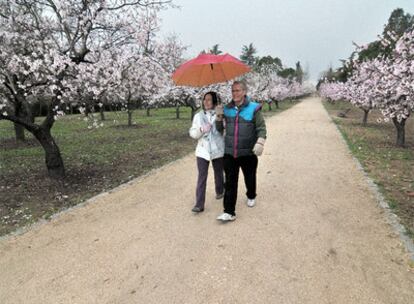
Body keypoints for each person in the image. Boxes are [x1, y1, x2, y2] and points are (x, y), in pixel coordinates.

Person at [215, 81, 267, 222]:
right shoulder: (226, 109)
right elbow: (219, 130)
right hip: (230, 153)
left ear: (244, 91)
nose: (235, 93)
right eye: (233, 91)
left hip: (248, 153)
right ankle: (229, 212)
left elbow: (261, 128)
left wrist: (260, 142)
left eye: (238, 90)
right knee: (230, 182)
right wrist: (219, 117)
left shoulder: (254, 108)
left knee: (249, 177)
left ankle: (251, 195)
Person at [189, 92, 225, 213]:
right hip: (202, 150)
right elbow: (193, 133)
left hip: (218, 149)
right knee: (202, 177)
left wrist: (220, 118)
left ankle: (220, 190)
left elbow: (222, 131)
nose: (206, 102)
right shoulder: (198, 116)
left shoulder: (220, 113)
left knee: (218, 172)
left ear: (214, 101)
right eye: (205, 99)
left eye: (209, 100)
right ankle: (199, 204)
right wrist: (201, 129)